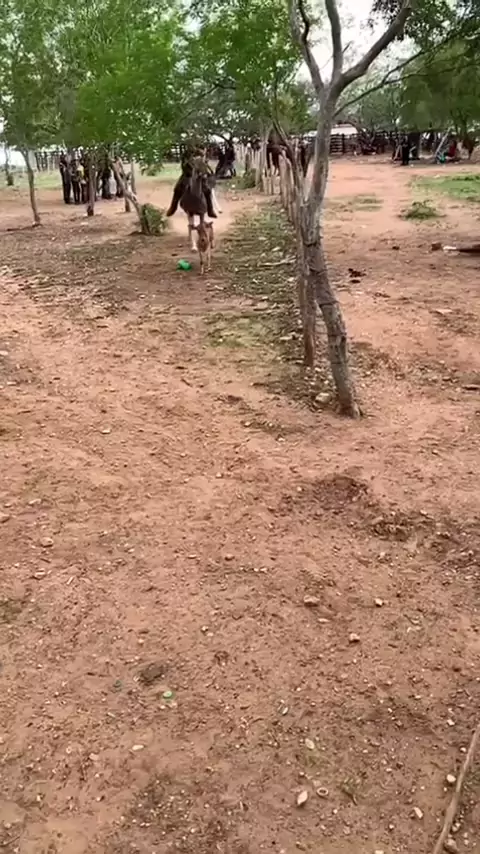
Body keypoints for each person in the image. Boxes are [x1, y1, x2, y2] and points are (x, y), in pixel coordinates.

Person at [166, 146, 217, 219]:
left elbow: (204, 169)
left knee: (207, 190)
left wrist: (204, 173)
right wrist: (190, 171)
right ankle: (173, 207)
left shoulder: (201, 159)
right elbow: (184, 167)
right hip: (187, 177)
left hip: (199, 178)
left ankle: (210, 210)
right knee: (177, 189)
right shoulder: (187, 155)